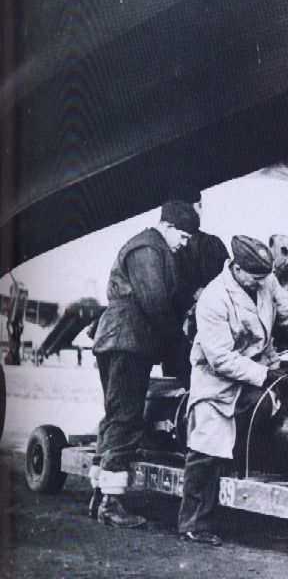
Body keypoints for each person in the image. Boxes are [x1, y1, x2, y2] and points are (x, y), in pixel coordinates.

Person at [177, 235, 288, 546]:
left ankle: (249, 505)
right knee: (207, 443)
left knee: (271, 417)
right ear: (237, 268)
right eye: (256, 277)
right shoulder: (214, 299)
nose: (262, 283)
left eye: (265, 277)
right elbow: (220, 359)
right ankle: (193, 523)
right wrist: (265, 374)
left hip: (256, 367)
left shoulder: (265, 280)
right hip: (217, 379)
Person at [90, 201, 200, 527]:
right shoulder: (148, 249)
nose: (183, 243)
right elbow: (156, 303)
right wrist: (180, 349)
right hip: (128, 340)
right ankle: (111, 504)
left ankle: (101, 496)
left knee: (115, 417)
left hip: (120, 339)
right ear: (166, 227)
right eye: (181, 235)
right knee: (125, 419)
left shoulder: (152, 248)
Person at [161, 185, 229, 387]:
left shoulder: (162, 247)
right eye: (199, 206)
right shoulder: (214, 244)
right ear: (193, 209)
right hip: (212, 335)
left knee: (177, 391)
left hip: (177, 338)